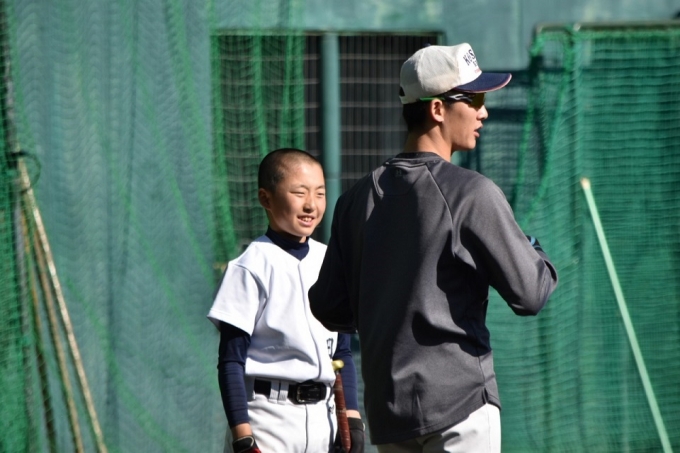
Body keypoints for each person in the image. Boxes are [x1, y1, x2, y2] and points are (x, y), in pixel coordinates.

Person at [308, 43, 559, 453]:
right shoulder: (471, 192)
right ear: (438, 109)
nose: (483, 112)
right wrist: (533, 248)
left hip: (390, 414)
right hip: (460, 408)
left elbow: (329, 308)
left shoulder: (354, 200)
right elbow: (531, 292)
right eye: (474, 99)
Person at [208, 148, 364, 453]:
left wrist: (353, 418)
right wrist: (242, 435)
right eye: (299, 192)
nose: (311, 204)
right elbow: (231, 360)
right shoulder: (250, 265)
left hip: (325, 418)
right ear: (266, 199)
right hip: (268, 419)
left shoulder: (330, 260)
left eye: (320, 193)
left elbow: (342, 352)